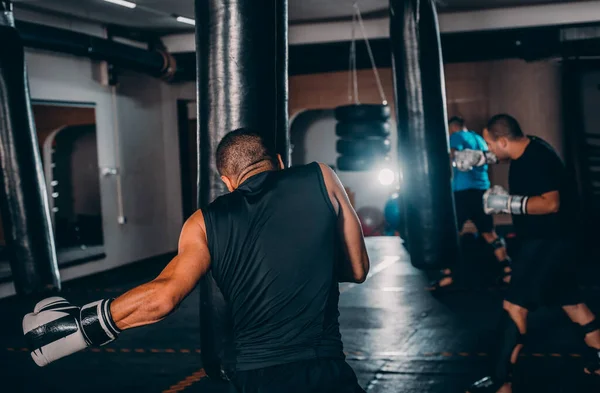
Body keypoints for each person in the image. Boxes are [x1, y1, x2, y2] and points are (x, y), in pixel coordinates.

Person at [22, 128, 370, 393]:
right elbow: (357, 269)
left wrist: (81, 328)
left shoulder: (202, 221)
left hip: (257, 377)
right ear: (280, 162)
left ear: (227, 181)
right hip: (326, 369)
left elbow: (164, 297)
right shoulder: (321, 176)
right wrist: (309, 263)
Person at [466, 114, 600, 393]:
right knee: (573, 303)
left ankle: (501, 383)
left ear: (503, 140)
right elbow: (504, 153)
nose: (489, 149)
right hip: (558, 242)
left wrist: (508, 204)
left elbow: (551, 203)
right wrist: (482, 157)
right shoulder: (531, 148)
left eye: (490, 144)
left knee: (514, 307)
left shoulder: (536, 160)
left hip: (547, 244)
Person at [429, 116, 511, 290]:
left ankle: (448, 276)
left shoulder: (457, 137)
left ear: (452, 128)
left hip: (463, 192)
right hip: (482, 190)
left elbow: (451, 155)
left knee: (451, 233)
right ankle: (508, 270)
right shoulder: (480, 139)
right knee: (489, 233)